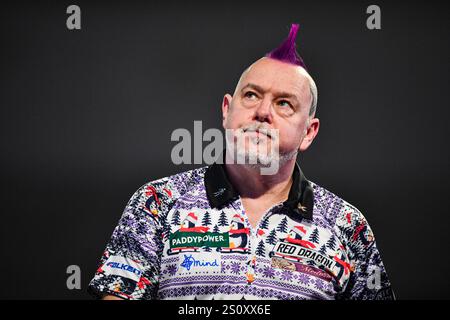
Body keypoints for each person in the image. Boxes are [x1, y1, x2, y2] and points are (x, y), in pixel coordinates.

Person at [88, 24, 395, 300]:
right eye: (251, 95)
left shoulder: (347, 226)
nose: (263, 112)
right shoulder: (157, 203)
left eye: (284, 103)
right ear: (227, 110)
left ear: (308, 132)